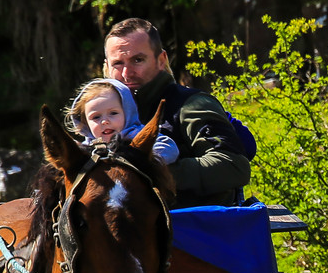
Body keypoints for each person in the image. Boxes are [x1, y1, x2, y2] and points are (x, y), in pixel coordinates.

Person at [103, 18, 254, 206]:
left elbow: (233, 166)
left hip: (191, 229)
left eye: (138, 60)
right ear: (107, 68)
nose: (126, 73)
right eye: (118, 63)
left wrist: (153, 171)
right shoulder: (100, 114)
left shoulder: (190, 105)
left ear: (161, 60)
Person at [65, 77, 180, 164]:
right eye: (96, 117)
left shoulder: (136, 134)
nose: (105, 121)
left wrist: (142, 156)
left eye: (113, 113)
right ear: (85, 123)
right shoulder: (89, 146)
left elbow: (169, 148)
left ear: (127, 113)